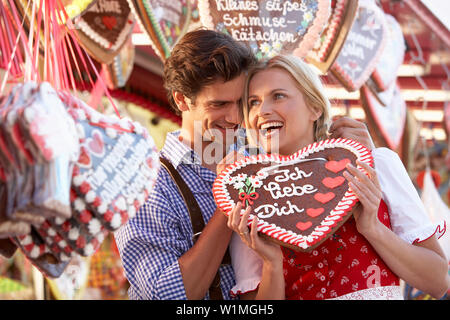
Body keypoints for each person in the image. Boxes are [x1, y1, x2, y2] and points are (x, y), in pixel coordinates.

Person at [114, 29, 384, 300]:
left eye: (242, 102)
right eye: (219, 104)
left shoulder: (262, 151)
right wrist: (230, 195)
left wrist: (349, 149)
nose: (234, 117)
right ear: (181, 99)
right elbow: (166, 296)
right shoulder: (146, 186)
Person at [226, 54, 449, 300]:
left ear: (315, 107)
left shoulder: (373, 165)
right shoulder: (247, 193)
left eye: (278, 96)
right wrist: (272, 264)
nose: (263, 111)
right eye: (253, 102)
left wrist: (373, 229)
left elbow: (439, 281)